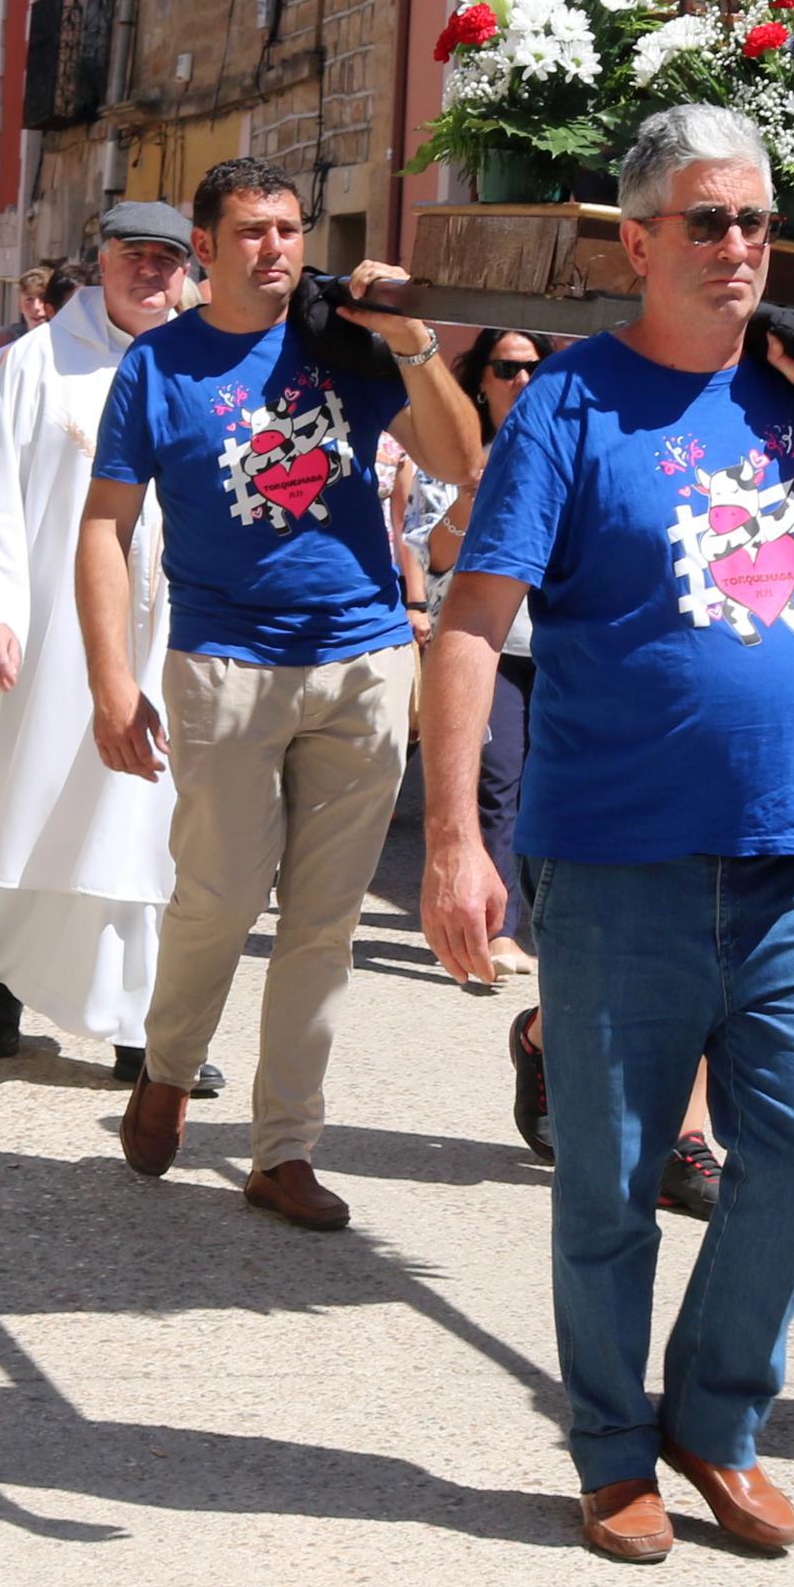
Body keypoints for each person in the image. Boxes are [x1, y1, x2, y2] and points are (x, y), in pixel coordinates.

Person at [421, 105, 794, 1564]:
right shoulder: (570, 404)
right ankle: (609, 1447)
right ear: (636, 239)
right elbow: (467, 626)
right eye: (707, 220)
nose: (740, 246)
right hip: (618, 854)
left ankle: (713, 1413)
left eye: (757, 220)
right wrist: (454, 837)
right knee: (611, 1172)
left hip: (792, 854)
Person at [77, 158, 485, 1231]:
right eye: (251, 230)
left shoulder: (347, 345)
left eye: (290, 228)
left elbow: (458, 456)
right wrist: (111, 680)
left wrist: (410, 336)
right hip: (224, 666)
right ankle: (168, 1064)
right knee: (215, 894)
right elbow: (103, 527)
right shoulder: (159, 368)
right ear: (203, 248)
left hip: (358, 662)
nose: (275, 248)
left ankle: (282, 1149)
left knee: (323, 921)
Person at [0, 201, 217, 1090]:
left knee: (146, 823)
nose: (149, 272)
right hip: (51, 631)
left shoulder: (205, 360)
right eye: (133, 254)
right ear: (102, 257)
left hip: (169, 628)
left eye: (167, 258)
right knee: (37, 795)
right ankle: (1, 980)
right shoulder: (35, 362)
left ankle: (141, 1026)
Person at [429, 328, 556, 977]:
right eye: (506, 368)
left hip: (562, 646)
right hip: (493, 647)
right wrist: (469, 494)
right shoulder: (455, 451)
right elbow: (434, 557)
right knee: (497, 778)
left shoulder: (567, 438)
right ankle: (496, 931)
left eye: (533, 367)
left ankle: (553, 926)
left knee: (549, 786)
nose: (521, 380)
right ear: (480, 377)